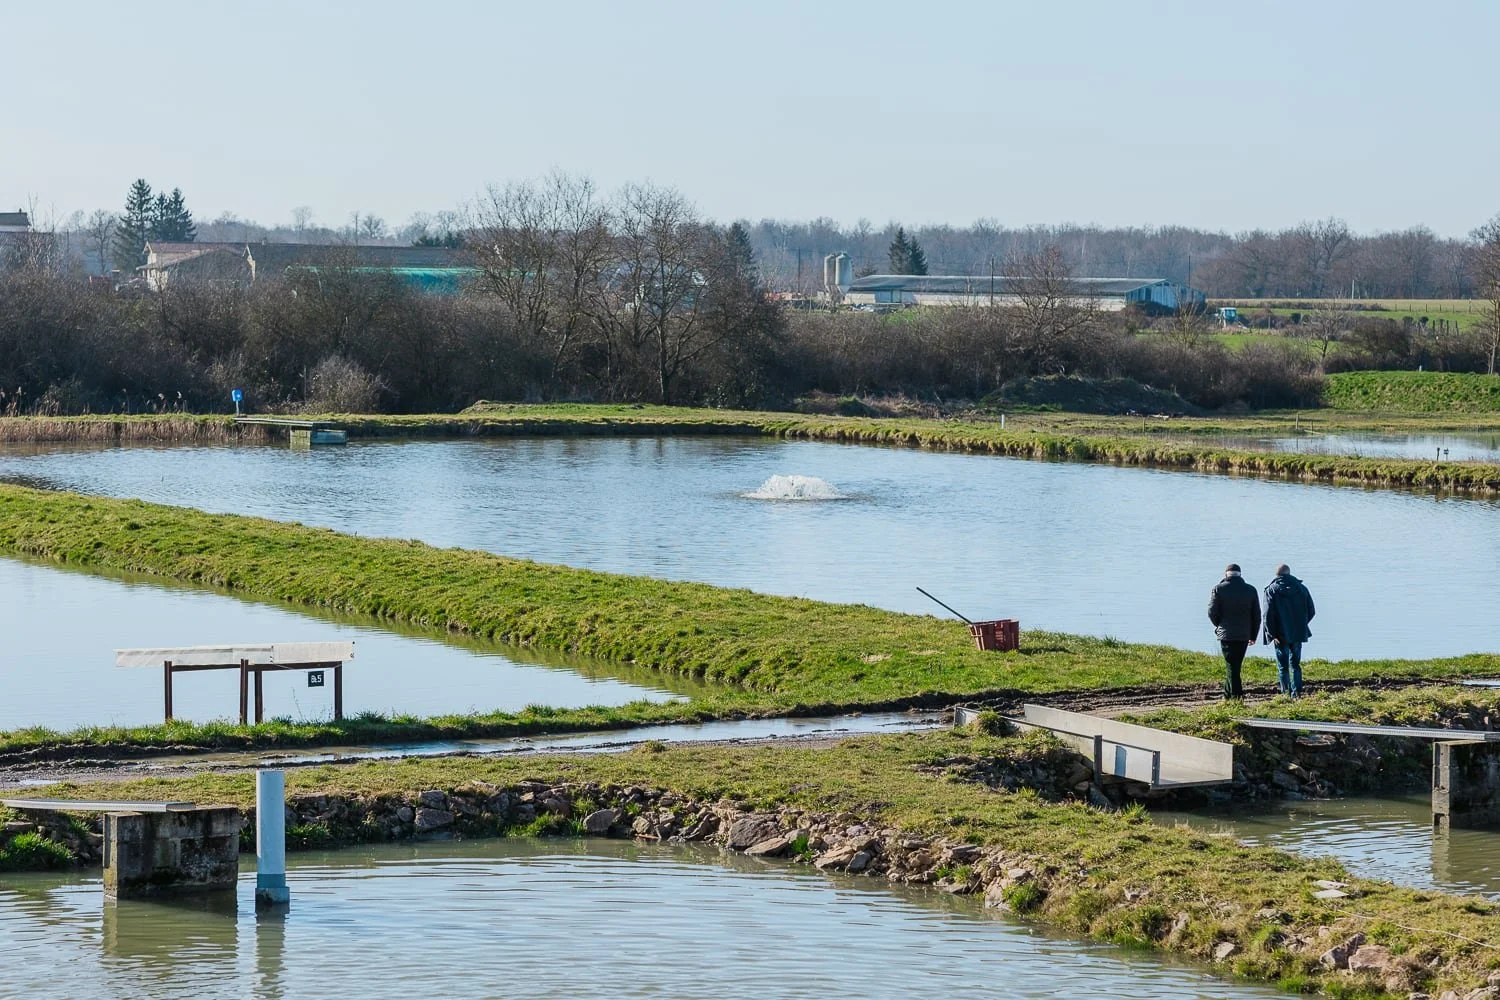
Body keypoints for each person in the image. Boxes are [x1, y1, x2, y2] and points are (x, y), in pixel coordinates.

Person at [1208, 563, 1261, 700]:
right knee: (1234, 665)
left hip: (1226, 634)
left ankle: (1236, 696)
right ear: (1240, 574)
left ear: (1226, 574)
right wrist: (1253, 634)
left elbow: (1212, 612)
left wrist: (1219, 625)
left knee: (1232, 665)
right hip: (1244, 634)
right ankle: (1227, 695)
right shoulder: (1250, 590)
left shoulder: (1218, 589)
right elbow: (1256, 616)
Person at [1263, 564, 1315, 698]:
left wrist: (1272, 633)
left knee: (1283, 665)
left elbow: (1268, 614)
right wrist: (1302, 624)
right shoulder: (1302, 588)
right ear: (1289, 573)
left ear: (1277, 575)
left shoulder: (1271, 590)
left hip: (1280, 633)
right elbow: (1311, 610)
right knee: (1295, 664)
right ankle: (1296, 692)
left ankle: (1285, 693)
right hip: (1298, 632)